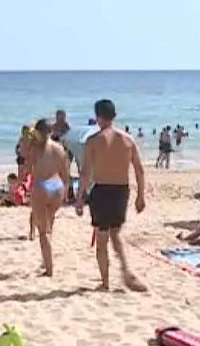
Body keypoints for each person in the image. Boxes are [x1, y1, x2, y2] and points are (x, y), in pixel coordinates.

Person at [75, 99, 147, 292]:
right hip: (121, 191)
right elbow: (139, 171)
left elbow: (85, 174)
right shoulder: (128, 140)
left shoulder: (93, 142)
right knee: (116, 233)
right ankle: (125, 270)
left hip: (101, 191)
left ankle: (105, 282)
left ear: (98, 117)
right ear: (114, 116)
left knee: (102, 238)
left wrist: (80, 198)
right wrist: (141, 196)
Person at [28, 118, 70, 277]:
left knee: (43, 231)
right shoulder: (59, 148)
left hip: (42, 186)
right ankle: (46, 260)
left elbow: (27, 166)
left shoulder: (36, 148)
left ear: (38, 132)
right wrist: (65, 192)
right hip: (56, 186)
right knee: (49, 225)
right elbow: (65, 174)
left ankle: (49, 268)